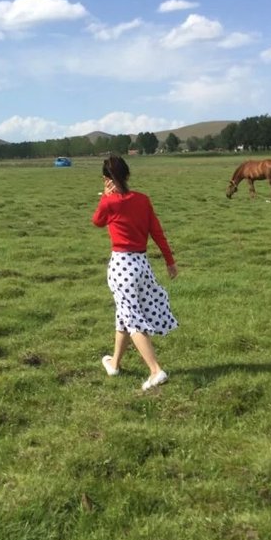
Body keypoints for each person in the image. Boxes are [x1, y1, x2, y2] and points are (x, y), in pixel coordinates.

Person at [92, 155, 178, 390]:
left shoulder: (109, 203)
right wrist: (170, 261)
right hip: (142, 264)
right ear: (128, 175)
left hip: (121, 266)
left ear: (105, 179)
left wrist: (105, 198)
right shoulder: (142, 199)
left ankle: (155, 371)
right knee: (124, 313)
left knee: (132, 318)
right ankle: (115, 364)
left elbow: (97, 221)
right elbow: (157, 232)